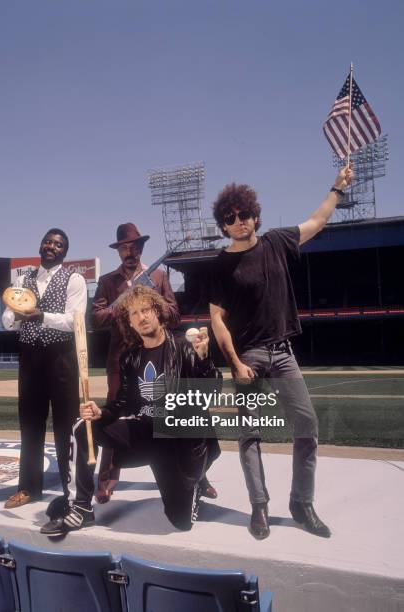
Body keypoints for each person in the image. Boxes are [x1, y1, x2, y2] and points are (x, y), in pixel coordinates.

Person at [209, 165, 354, 540]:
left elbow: (317, 221)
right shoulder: (222, 266)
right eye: (230, 218)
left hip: (284, 353)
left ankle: (301, 503)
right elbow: (217, 321)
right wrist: (236, 362)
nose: (239, 221)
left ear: (255, 215)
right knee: (249, 433)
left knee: (306, 425)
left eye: (244, 214)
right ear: (223, 225)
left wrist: (336, 188)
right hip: (249, 357)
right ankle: (260, 507)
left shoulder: (276, 241)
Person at [40, 285, 221, 536]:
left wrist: (203, 362)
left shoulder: (184, 346)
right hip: (147, 432)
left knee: (180, 522)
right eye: (134, 314)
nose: (141, 317)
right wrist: (101, 412)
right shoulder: (130, 357)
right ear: (130, 323)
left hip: (180, 441)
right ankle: (81, 507)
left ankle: (196, 482)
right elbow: (123, 403)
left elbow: (209, 394)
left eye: (145, 310)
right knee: (83, 426)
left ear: (157, 312)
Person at [91, 222, 190, 502]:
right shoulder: (108, 282)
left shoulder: (157, 276)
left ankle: (194, 473)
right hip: (120, 358)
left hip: (156, 356)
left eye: (135, 247)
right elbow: (96, 319)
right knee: (114, 412)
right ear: (119, 251)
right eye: (125, 248)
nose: (130, 252)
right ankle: (107, 478)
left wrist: (150, 301)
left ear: (142, 248)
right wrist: (124, 303)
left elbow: (174, 313)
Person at [1, 228, 87, 508]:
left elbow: (74, 321)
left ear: (65, 251)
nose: (52, 246)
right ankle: (28, 488)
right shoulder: (22, 278)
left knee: (66, 425)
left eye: (58, 244)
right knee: (30, 424)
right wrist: (14, 317)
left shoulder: (74, 279)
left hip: (61, 357)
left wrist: (41, 317)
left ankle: (71, 489)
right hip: (30, 357)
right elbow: (6, 317)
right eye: (48, 242)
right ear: (40, 246)